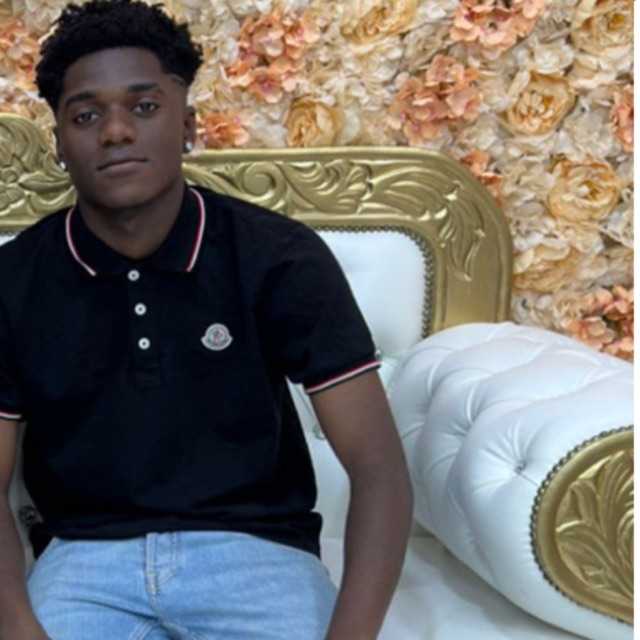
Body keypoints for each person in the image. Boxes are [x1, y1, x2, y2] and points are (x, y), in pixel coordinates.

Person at [0, 1, 413, 638]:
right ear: (58, 144)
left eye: (144, 107)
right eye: (86, 115)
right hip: (83, 562)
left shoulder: (279, 256)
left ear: (188, 125)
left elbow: (378, 466)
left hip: (258, 555)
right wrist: (20, 628)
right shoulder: (15, 278)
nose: (116, 131)